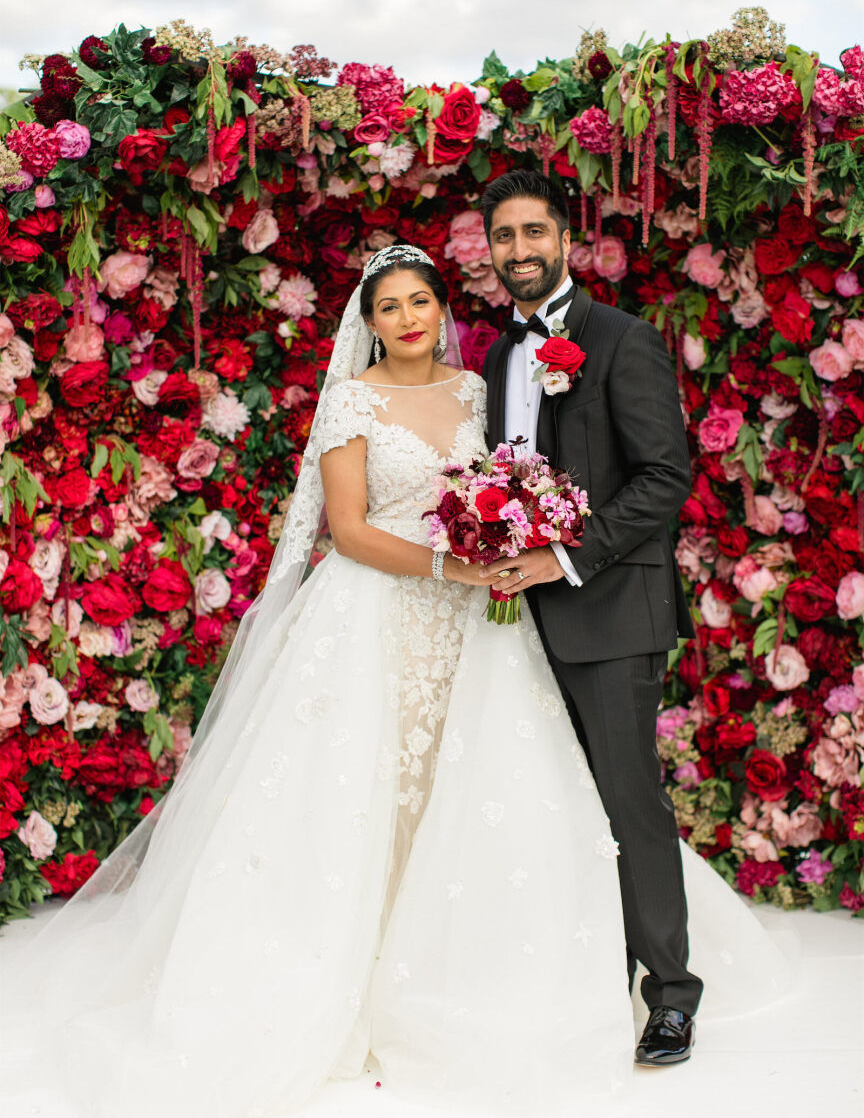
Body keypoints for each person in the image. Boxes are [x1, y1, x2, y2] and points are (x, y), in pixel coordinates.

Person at [0, 244, 789, 1118]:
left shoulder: (477, 389)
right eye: (391, 307)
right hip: (375, 613)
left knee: (481, 779)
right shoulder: (350, 400)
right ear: (367, 323)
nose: (410, 318)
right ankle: (341, 969)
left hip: (480, 622)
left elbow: (513, 480)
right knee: (363, 784)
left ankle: (484, 964)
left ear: (442, 308)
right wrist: (456, 568)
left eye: (422, 301)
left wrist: (507, 539)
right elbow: (348, 529)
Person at [478, 168, 702, 1066]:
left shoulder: (621, 341)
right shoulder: (496, 356)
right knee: (549, 804)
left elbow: (663, 478)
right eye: (504, 237)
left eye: (535, 234)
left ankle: (672, 996)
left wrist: (564, 557)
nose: (519, 252)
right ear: (488, 247)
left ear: (566, 239)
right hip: (521, 621)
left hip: (609, 612)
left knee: (627, 802)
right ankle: (578, 973)